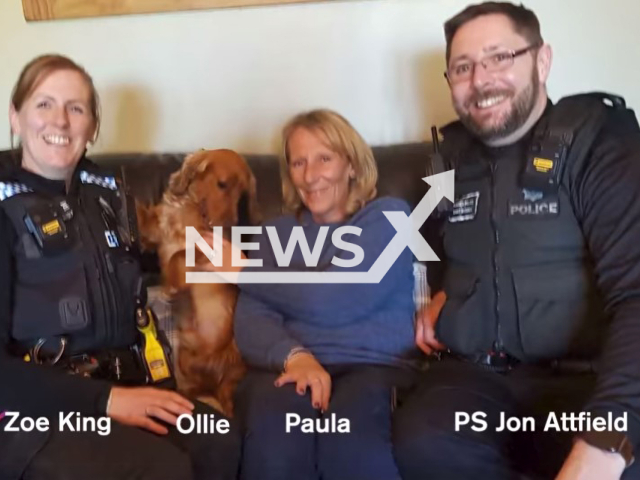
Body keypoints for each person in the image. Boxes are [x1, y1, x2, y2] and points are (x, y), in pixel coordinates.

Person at [393, 2, 640, 480]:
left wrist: (609, 435)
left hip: (584, 379)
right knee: (422, 442)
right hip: (478, 376)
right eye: (463, 67)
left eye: (499, 57)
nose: (481, 80)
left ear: (542, 60)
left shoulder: (602, 141)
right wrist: (446, 291)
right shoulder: (447, 158)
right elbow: (432, 243)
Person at [0, 54, 240, 480]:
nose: (60, 121)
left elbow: (159, 261)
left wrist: (215, 254)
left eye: (76, 108)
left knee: (216, 438)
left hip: (121, 384)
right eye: (44, 104)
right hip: (30, 410)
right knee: (161, 469)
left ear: (92, 128)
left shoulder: (108, 197)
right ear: (15, 118)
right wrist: (106, 402)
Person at [204, 109, 420, 480]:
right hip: (286, 369)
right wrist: (294, 357)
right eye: (298, 162)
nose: (310, 175)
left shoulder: (390, 218)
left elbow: (338, 297)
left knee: (352, 452)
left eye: (324, 158)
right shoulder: (278, 232)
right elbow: (253, 319)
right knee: (274, 447)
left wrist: (243, 271)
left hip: (372, 369)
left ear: (351, 165)